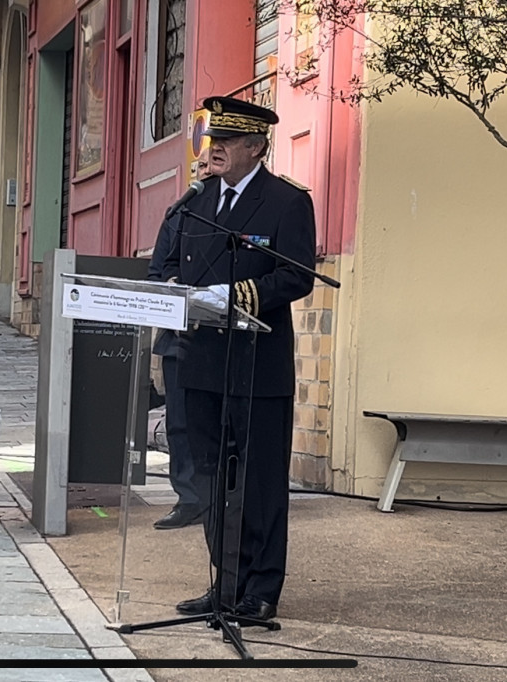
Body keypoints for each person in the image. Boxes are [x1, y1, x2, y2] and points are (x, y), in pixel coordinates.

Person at [163, 96, 316, 622]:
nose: (216, 150)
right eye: (213, 141)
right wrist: (172, 292)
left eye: (228, 142)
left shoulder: (286, 201)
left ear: (256, 146)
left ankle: (260, 589)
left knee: (259, 481)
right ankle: (224, 583)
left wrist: (233, 296)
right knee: (211, 478)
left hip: (257, 364)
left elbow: (295, 275)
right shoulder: (195, 201)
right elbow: (168, 266)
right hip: (201, 360)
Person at [146, 146, 212, 530]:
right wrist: (171, 286)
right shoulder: (178, 214)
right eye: (200, 165)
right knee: (180, 422)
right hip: (180, 335)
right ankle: (189, 498)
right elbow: (156, 272)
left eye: (211, 165)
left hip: (222, 336)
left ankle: (222, 495)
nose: (204, 172)